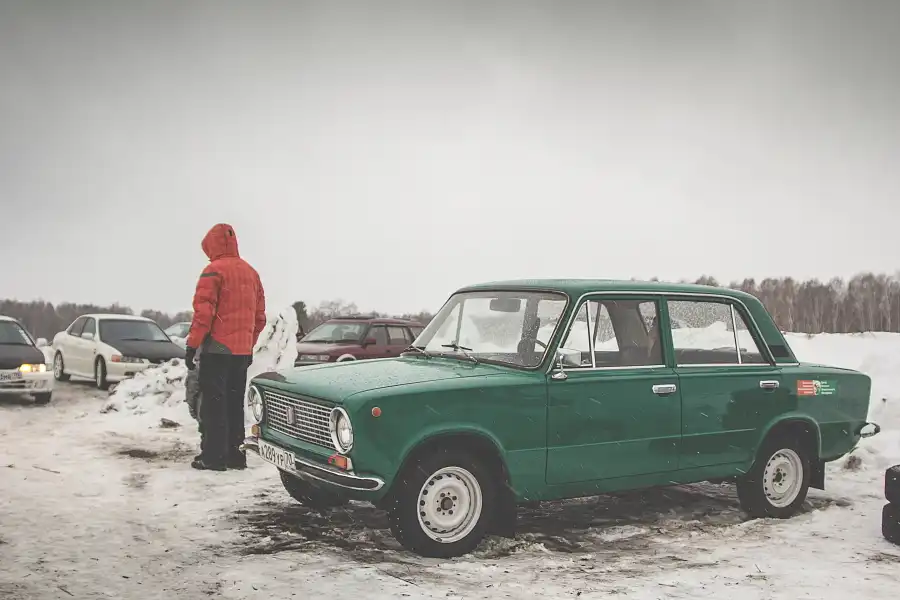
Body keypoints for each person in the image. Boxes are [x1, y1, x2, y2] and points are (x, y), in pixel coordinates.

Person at [185, 223, 266, 471]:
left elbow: (204, 314)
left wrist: (192, 346)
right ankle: (235, 456)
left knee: (214, 405)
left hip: (216, 351)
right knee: (234, 404)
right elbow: (259, 318)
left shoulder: (213, 271)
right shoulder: (252, 274)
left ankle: (213, 457)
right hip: (241, 353)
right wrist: (248, 345)